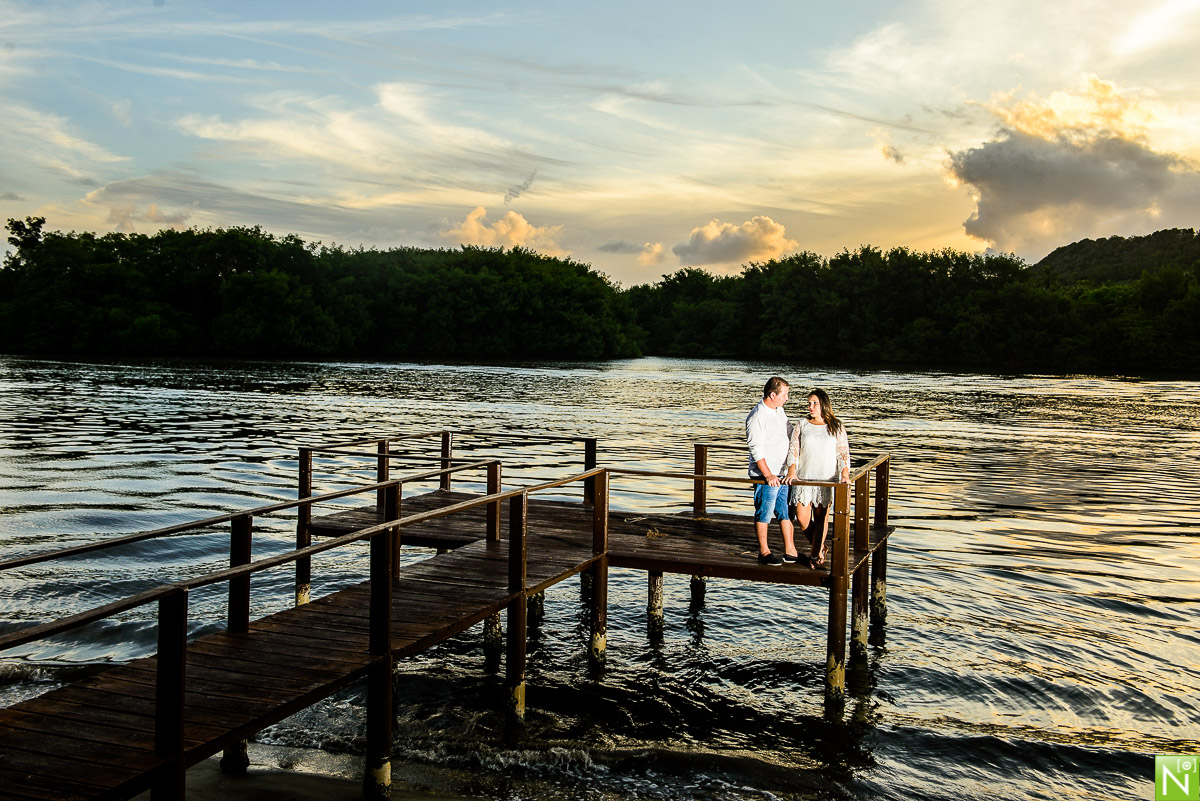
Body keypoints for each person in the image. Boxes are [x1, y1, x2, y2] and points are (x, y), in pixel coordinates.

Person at [783, 388, 850, 570]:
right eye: (809, 403)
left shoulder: (836, 426)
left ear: (824, 405)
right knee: (802, 518)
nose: (811, 407)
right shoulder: (802, 424)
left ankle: (815, 555)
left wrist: (844, 474)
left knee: (821, 519)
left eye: (815, 403)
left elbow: (843, 453)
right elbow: (794, 450)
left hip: (825, 479)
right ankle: (821, 548)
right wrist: (791, 471)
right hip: (804, 477)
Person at [745, 376, 798, 566]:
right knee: (765, 511)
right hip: (767, 475)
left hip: (782, 472)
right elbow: (756, 449)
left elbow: (790, 432)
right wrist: (768, 475)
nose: (787, 398)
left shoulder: (779, 410)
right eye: (784, 395)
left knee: (785, 511)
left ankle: (790, 550)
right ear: (772, 394)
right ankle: (764, 552)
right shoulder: (757, 416)